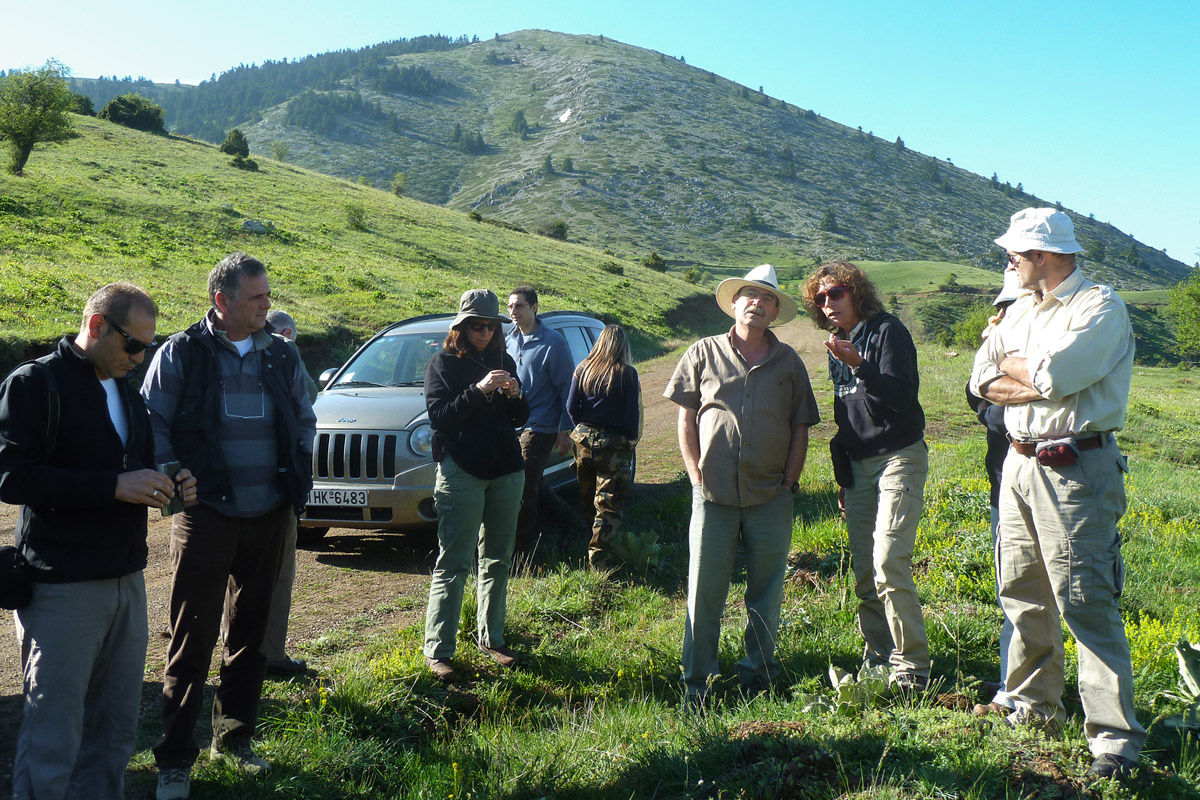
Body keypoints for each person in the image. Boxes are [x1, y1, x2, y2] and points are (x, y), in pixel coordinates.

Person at [0, 282, 196, 800]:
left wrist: (170, 482)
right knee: (54, 735)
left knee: (115, 731)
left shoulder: (127, 389)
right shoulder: (34, 383)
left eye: (149, 346)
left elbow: (131, 470)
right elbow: (12, 478)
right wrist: (113, 486)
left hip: (127, 578)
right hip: (62, 585)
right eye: (133, 344)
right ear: (95, 326)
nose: (141, 356)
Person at [969, 208, 1145, 779]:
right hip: (1019, 464)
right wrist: (1025, 371)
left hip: (1074, 468)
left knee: (1084, 597)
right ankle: (1030, 706)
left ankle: (1114, 741)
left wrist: (1018, 369)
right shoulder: (1019, 307)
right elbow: (981, 380)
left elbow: (1056, 375)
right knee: (1021, 587)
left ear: (1043, 256)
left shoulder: (1099, 306)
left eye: (1015, 254)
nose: (1009, 263)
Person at [142, 253, 316, 799]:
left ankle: (235, 739)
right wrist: (175, 476)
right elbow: (153, 421)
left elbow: (306, 417)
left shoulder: (282, 355)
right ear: (223, 300)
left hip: (269, 514)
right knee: (191, 638)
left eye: (267, 295)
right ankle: (174, 758)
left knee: (249, 633)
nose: (268, 304)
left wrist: (298, 467)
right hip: (207, 515)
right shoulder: (182, 353)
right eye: (257, 297)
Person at [665, 264, 819, 703]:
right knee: (703, 591)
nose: (756, 303)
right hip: (711, 495)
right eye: (749, 295)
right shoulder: (702, 353)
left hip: (771, 496)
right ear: (734, 303)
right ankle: (698, 684)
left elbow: (801, 425)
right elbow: (686, 419)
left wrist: (790, 482)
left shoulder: (788, 362)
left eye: (766, 298)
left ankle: (758, 676)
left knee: (766, 593)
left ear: (774, 312)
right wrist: (694, 475)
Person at [801, 261, 931, 691]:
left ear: (856, 291)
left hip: (898, 456)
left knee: (888, 559)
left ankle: (911, 667)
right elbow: (847, 416)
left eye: (835, 293)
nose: (828, 303)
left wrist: (860, 365)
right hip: (857, 468)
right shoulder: (838, 343)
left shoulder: (887, 331)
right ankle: (879, 657)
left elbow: (900, 398)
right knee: (863, 570)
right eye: (820, 298)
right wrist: (843, 476)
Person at [423, 289, 530, 683]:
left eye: (490, 325)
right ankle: (438, 650)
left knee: (498, 560)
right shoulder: (442, 363)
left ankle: (493, 639)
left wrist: (516, 395)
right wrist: (479, 390)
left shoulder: (504, 360)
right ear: (461, 327)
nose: (484, 332)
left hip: (506, 470)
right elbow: (441, 418)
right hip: (462, 471)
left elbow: (518, 416)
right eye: (476, 325)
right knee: (453, 562)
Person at [966, 269, 1022, 715]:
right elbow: (977, 399)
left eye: (1009, 306)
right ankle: (1014, 679)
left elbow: (1000, 416)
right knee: (1015, 590)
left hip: (1044, 482)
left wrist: (994, 397)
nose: (1000, 314)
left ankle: (1020, 686)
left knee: (1055, 596)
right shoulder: (999, 342)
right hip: (1003, 483)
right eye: (1000, 307)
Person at [505, 285, 579, 552]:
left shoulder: (553, 342)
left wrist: (565, 429)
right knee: (534, 482)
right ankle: (572, 524)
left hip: (542, 424)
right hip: (514, 423)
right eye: (510, 306)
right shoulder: (509, 340)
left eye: (520, 306)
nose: (513, 311)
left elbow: (566, 389)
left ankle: (520, 552)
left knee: (523, 485)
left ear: (535, 308)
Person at [566, 324, 641, 570]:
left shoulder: (583, 369)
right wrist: (630, 441)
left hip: (583, 443)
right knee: (608, 503)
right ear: (623, 346)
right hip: (613, 445)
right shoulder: (627, 373)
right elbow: (631, 415)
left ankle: (589, 539)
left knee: (587, 497)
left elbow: (570, 407)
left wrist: (581, 430)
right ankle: (599, 559)